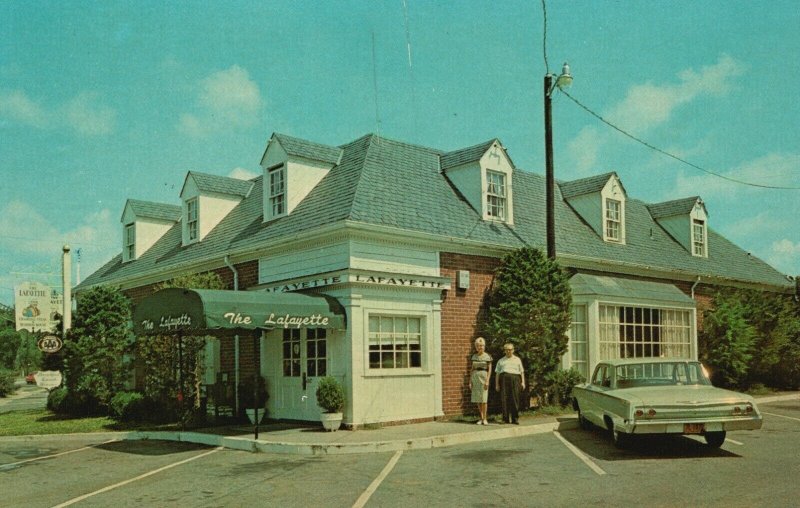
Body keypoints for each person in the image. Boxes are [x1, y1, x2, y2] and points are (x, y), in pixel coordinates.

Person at [495, 342, 525, 424]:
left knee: (515, 399)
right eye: (507, 350)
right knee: (504, 399)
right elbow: (497, 373)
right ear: (504, 351)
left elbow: (521, 372)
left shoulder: (517, 359)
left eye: (510, 349)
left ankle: (515, 419)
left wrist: (523, 382)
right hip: (504, 380)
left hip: (515, 379)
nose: (509, 351)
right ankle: (505, 419)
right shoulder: (501, 361)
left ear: (513, 350)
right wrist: (497, 384)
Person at [468, 337, 492, 425]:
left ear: (484, 346)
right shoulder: (474, 356)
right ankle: (481, 417)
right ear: (476, 347)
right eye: (478, 346)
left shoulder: (487, 356)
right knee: (478, 398)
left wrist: (487, 381)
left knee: (484, 399)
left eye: (481, 346)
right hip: (475, 377)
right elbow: (472, 369)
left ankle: (485, 418)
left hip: (484, 377)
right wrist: (470, 381)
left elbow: (490, 369)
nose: (480, 347)